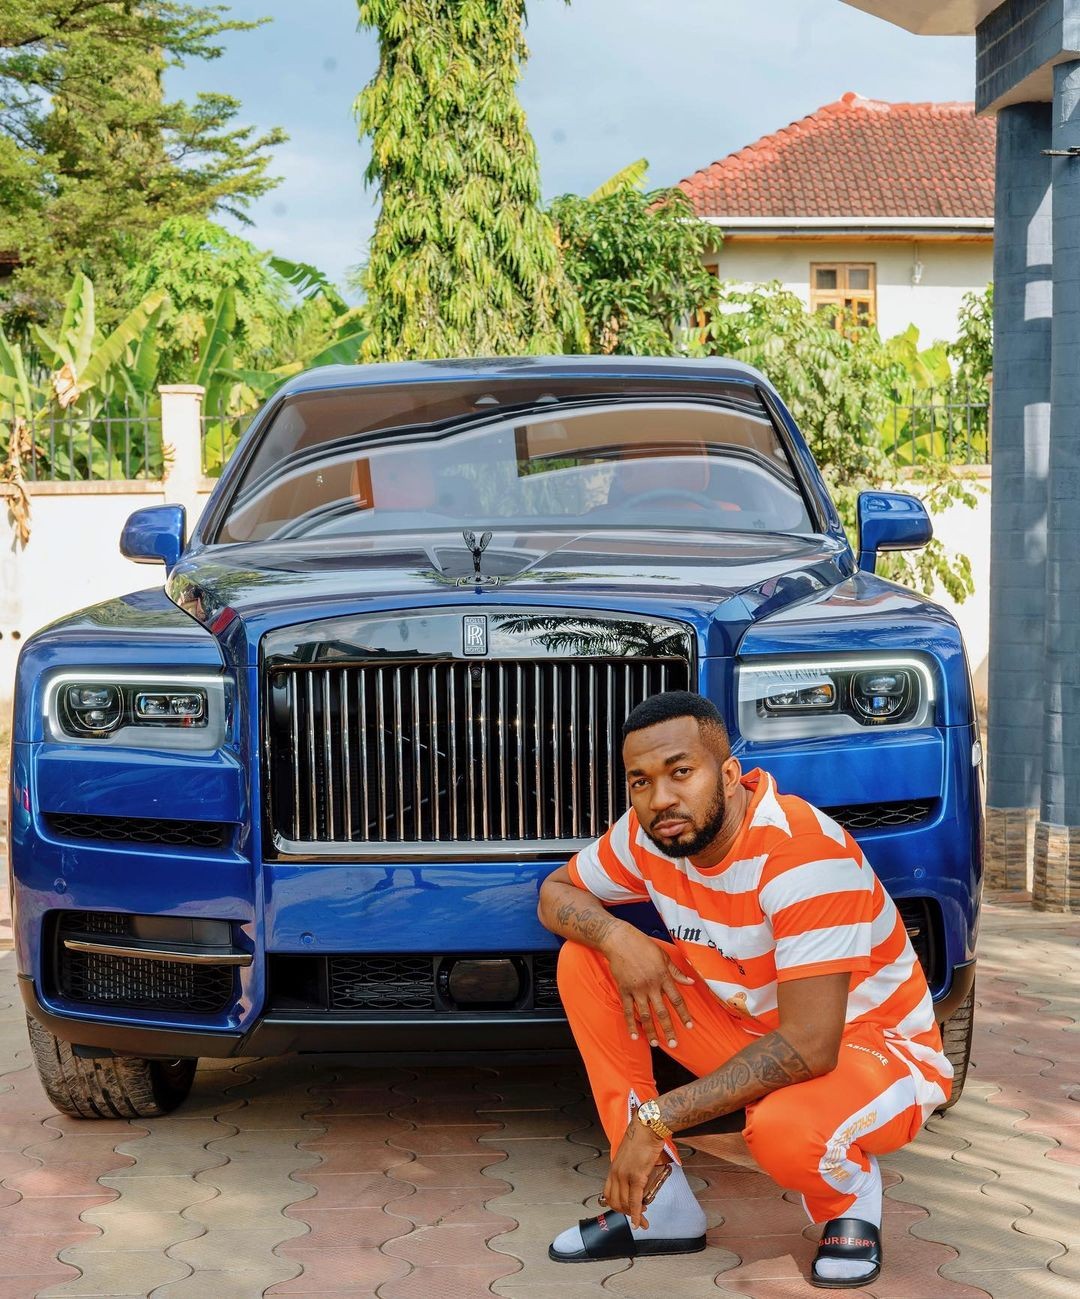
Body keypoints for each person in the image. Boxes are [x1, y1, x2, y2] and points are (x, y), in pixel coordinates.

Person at [537, 690, 951, 1289]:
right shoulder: (651, 834)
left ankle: (850, 1200)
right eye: (640, 781)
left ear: (729, 774)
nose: (661, 799)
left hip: (870, 1049)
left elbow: (810, 1045)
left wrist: (656, 1118)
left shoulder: (801, 854)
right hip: (751, 1029)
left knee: (785, 1132)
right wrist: (617, 937)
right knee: (587, 960)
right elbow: (556, 893)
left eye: (681, 772)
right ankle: (660, 1208)